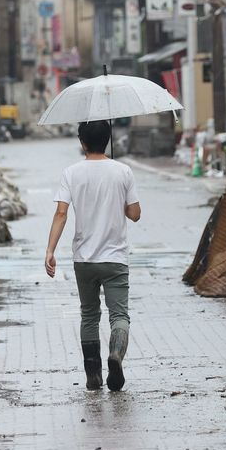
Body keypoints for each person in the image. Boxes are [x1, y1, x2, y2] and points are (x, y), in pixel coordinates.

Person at [45, 121, 141, 391]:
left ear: (82, 142)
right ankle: (116, 355)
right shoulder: (123, 171)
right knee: (119, 314)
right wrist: (117, 197)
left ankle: (93, 376)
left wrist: (50, 250)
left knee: (89, 315)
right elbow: (135, 214)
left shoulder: (71, 173)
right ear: (108, 139)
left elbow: (61, 213)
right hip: (115, 259)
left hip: (84, 260)